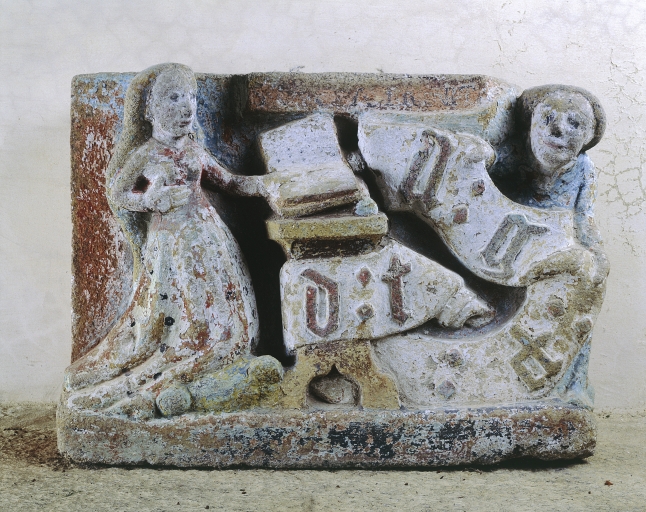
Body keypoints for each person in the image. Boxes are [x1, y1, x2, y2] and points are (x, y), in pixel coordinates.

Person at [64, 63, 281, 418]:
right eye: (175, 98)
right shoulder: (146, 154)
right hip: (172, 245)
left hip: (210, 240)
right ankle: (170, 368)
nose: (187, 107)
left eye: (192, 98)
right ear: (150, 110)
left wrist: (268, 184)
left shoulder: (194, 151)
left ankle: (220, 351)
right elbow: (118, 193)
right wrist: (149, 199)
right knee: (181, 316)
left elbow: (230, 182)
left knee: (226, 315)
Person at [491, 85, 609, 284]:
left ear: (588, 135)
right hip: (503, 241)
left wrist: (596, 250)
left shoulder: (583, 168)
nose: (557, 129)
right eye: (547, 117)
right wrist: (481, 154)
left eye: (574, 123)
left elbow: (584, 218)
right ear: (531, 124)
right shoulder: (518, 152)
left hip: (550, 244)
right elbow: (489, 164)